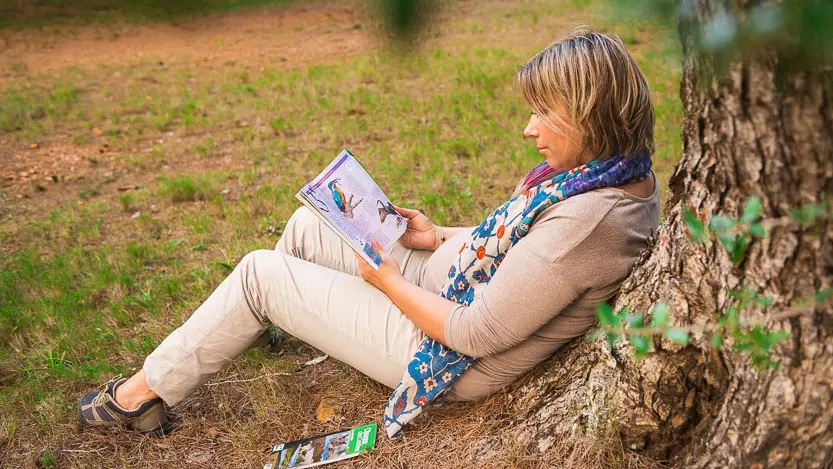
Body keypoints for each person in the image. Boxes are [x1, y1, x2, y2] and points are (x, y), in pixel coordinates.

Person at [77, 26, 660, 435]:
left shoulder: (591, 222)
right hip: (447, 285)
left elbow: (476, 332)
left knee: (259, 274)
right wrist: (440, 236)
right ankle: (261, 320)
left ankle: (140, 399)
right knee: (308, 225)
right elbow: (526, 254)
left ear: (590, 115)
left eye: (543, 113)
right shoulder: (615, 171)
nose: (528, 129)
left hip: (444, 353)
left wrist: (387, 282)